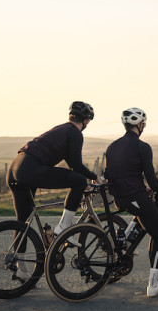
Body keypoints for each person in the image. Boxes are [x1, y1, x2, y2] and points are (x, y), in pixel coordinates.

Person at [6, 101, 99, 280]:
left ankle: (22, 269)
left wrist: (84, 180)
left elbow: (72, 165)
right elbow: (77, 167)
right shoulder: (75, 133)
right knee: (79, 181)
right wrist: (94, 177)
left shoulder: (61, 129)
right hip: (30, 169)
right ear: (86, 121)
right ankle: (64, 227)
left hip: (15, 168)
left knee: (22, 222)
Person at [104, 107, 158, 297]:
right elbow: (151, 178)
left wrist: (141, 187)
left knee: (144, 214)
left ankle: (123, 247)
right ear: (140, 125)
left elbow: (114, 174)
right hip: (133, 196)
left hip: (119, 198)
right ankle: (153, 285)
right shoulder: (142, 147)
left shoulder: (112, 146)